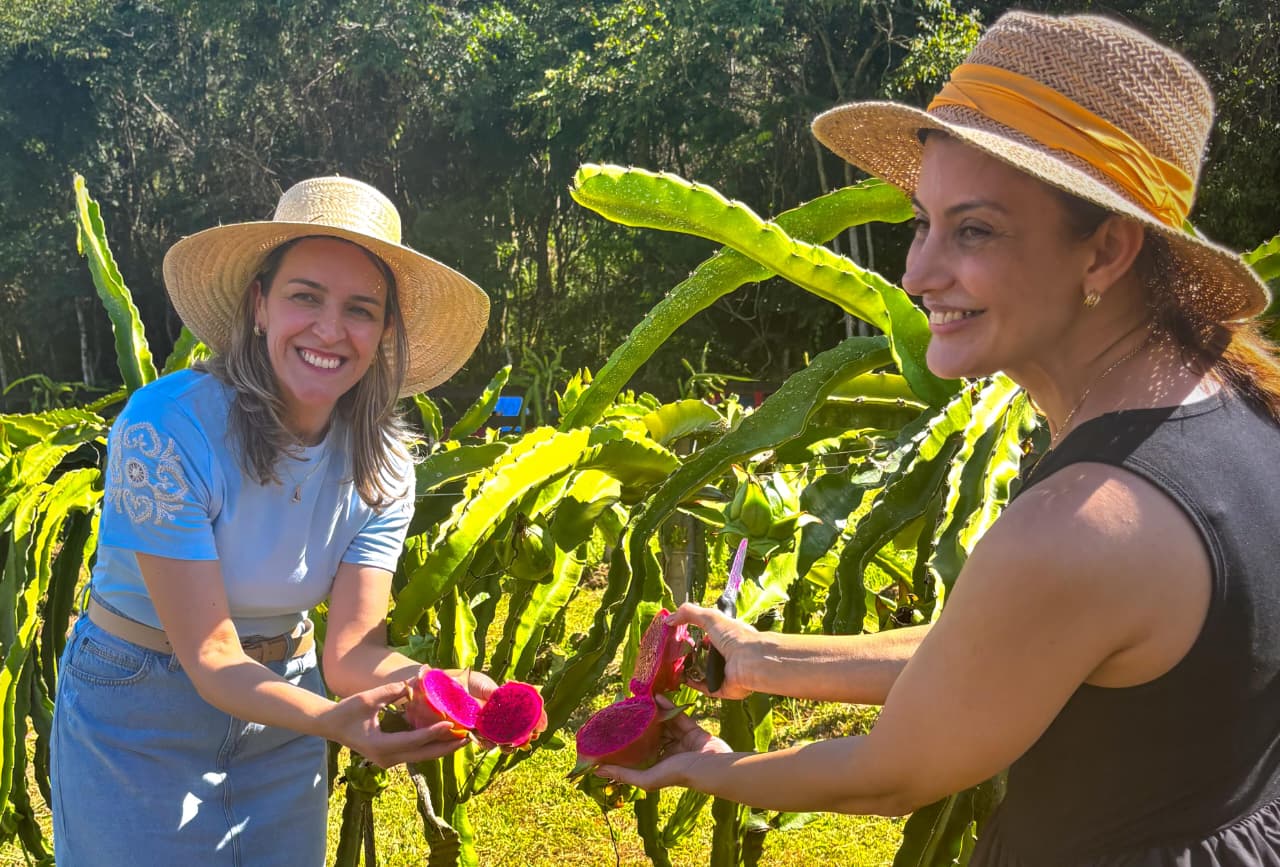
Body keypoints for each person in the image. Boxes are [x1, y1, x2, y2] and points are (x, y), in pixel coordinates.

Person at [599, 12, 1280, 864]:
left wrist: (707, 765)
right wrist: (765, 656)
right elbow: (1002, 644)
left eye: (975, 230)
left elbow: (892, 772)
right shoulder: (1231, 409)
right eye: (922, 222)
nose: (917, 273)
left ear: (1105, 251)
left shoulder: (1085, 519)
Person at [50, 176, 494, 866]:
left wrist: (430, 681)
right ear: (259, 305)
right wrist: (329, 721)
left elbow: (351, 654)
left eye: (360, 309)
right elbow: (211, 655)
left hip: (288, 699)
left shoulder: (384, 468)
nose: (329, 329)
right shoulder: (166, 427)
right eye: (304, 296)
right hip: (140, 705)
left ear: (383, 334)